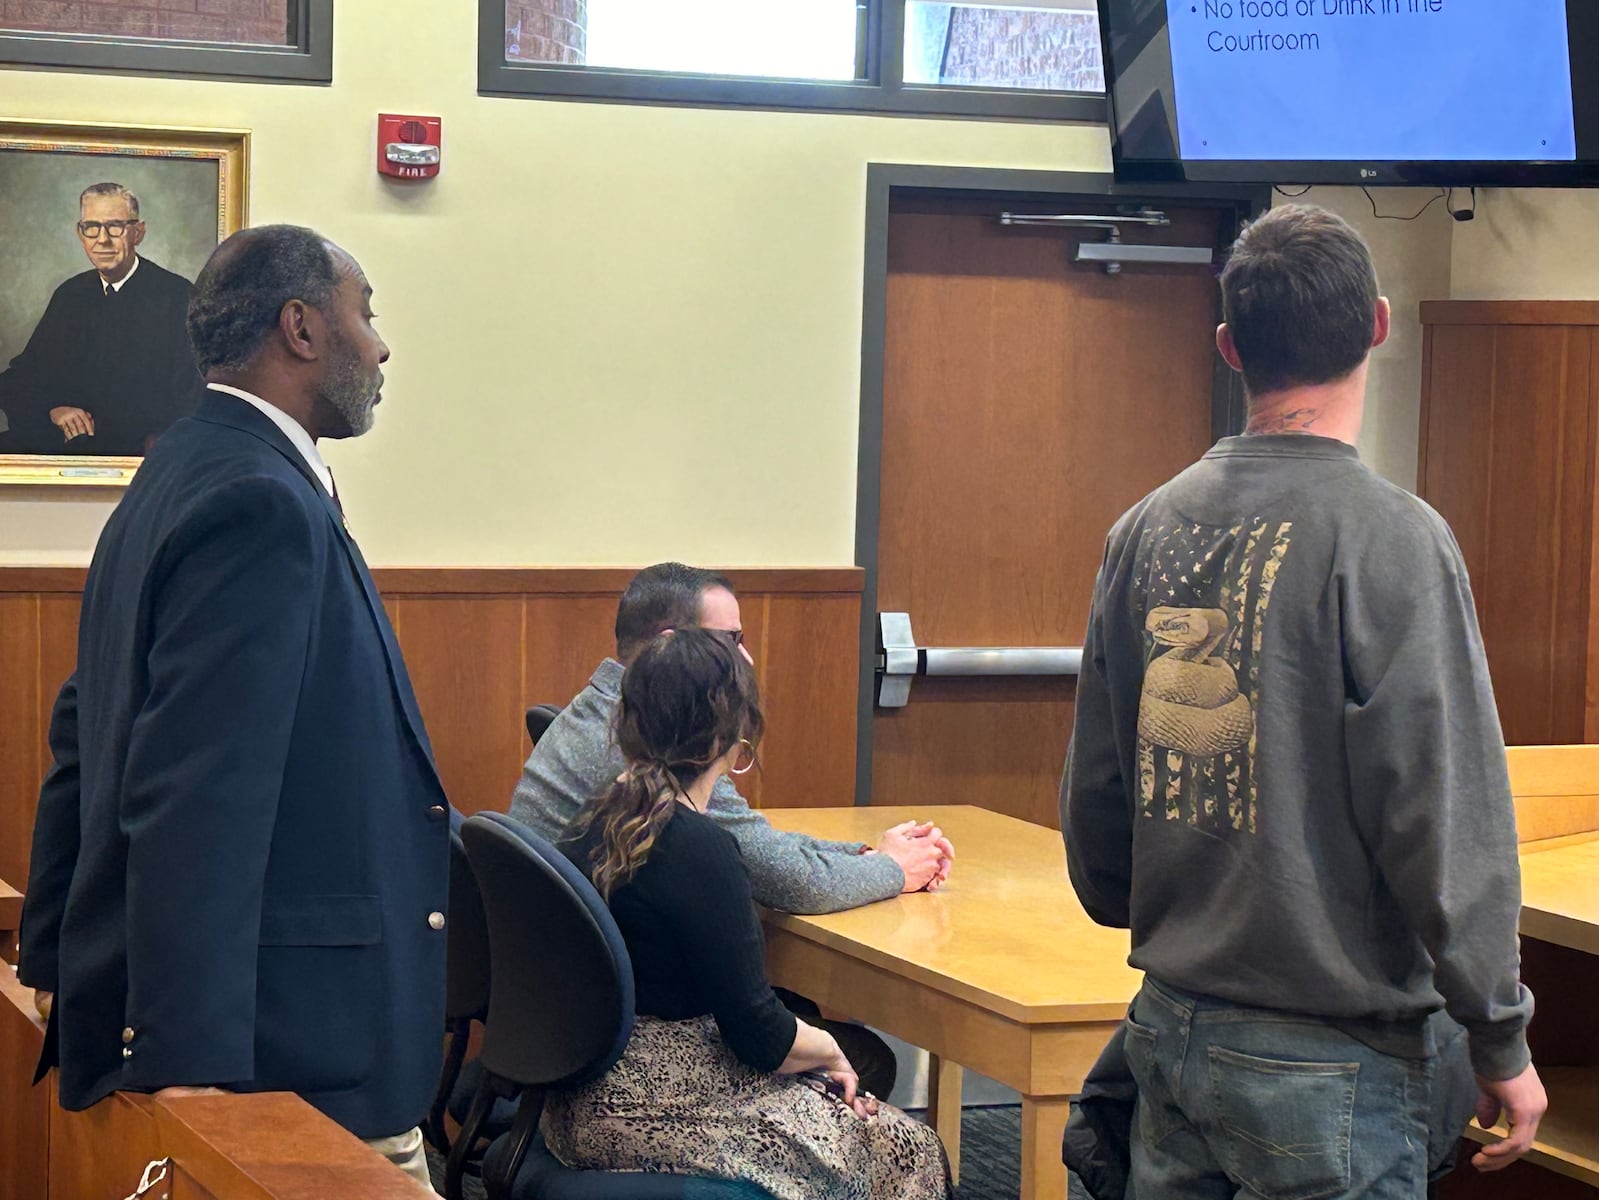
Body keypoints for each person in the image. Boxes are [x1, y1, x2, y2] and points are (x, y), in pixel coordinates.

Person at [1060, 204, 1545, 1199]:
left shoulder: (1143, 529)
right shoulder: (1392, 540)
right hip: (1329, 1055)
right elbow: (1440, 808)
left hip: (1170, 1021)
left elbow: (1100, 787)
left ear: (1230, 346)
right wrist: (1499, 1033)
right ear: (1376, 324)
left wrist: (1147, 906)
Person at [17, 224, 449, 1188]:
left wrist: (52, 948)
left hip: (253, 1024)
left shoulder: (178, 469)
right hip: (286, 1049)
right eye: (364, 313)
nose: (379, 347)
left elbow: (84, 733)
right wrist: (193, 1066)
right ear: (301, 328)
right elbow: (199, 794)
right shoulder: (260, 499)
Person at [510, 560, 954, 1098]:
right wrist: (890, 869)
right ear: (673, 652)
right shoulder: (660, 763)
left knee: (804, 1012)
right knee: (864, 1064)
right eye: (729, 640)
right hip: (624, 1058)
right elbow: (786, 881)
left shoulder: (615, 729)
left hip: (565, 1026)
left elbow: (753, 841)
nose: (744, 657)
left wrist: (865, 856)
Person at [545, 627, 950, 1200]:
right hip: (652, 1109)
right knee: (909, 1150)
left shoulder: (595, 818)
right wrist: (830, 1051)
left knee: (844, 1103)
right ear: (734, 737)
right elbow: (761, 1037)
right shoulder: (698, 849)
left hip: (579, 1097)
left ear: (627, 721)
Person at [0, 182, 206, 456]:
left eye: (115, 226)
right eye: (92, 227)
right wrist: (54, 410)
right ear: (80, 232)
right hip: (66, 443)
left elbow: (191, 399)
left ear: (138, 232)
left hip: (138, 452)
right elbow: (25, 377)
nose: (102, 239)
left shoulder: (178, 297)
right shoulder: (71, 294)